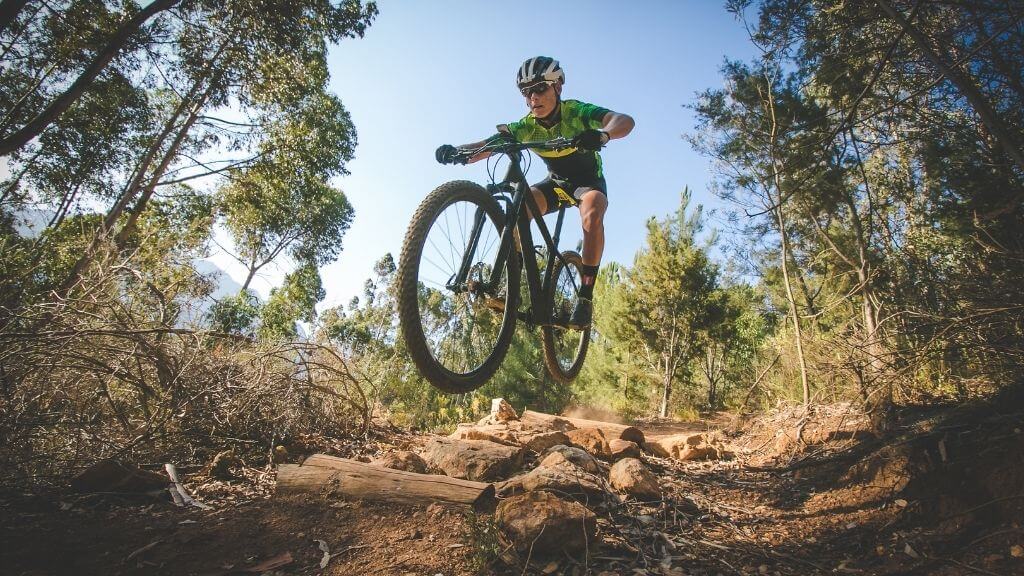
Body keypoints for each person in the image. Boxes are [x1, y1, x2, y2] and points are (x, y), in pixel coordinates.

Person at [435, 56, 634, 329]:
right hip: (555, 183)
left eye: (539, 88)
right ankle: (511, 285)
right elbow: (488, 144)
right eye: (526, 93)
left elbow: (623, 120)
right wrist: (458, 152)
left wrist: (602, 135)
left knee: (592, 212)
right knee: (518, 211)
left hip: (587, 184)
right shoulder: (526, 126)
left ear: (558, 87)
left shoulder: (576, 112)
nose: (532, 98)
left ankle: (585, 298)